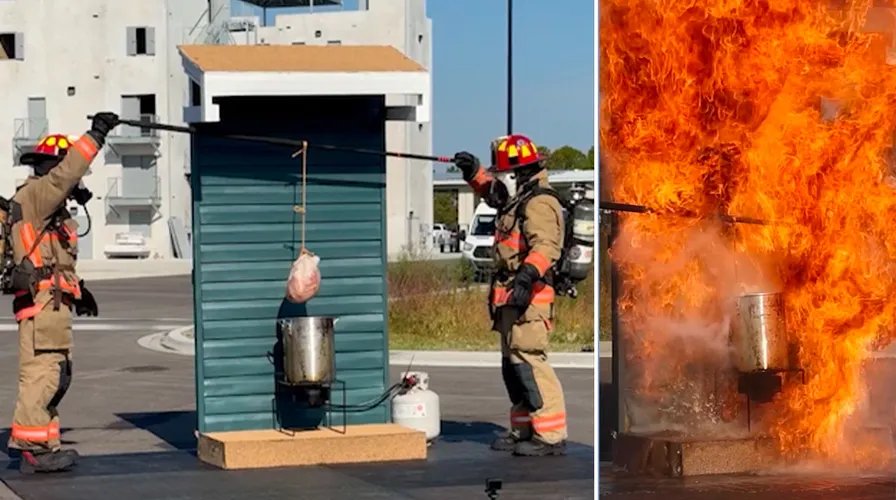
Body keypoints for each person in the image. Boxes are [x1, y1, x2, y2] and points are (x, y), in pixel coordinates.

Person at [7, 112, 120, 473]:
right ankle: (32, 448)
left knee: (57, 373)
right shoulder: (37, 196)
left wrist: (79, 291)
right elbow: (67, 173)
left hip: (52, 304)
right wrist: (96, 135)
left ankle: (44, 441)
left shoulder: (51, 214)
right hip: (42, 306)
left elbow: (54, 262)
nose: (74, 184)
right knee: (43, 374)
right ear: (51, 169)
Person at [453, 134, 568, 456]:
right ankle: (523, 430)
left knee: (530, 361)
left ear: (521, 170)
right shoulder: (522, 196)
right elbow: (496, 196)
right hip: (510, 296)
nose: (507, 178)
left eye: (508, 172)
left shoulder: (540, 202)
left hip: (530, 296)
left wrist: (527, 276)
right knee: (513, 366)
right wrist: (473, 172)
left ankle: (550, 436)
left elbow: (547, 246)